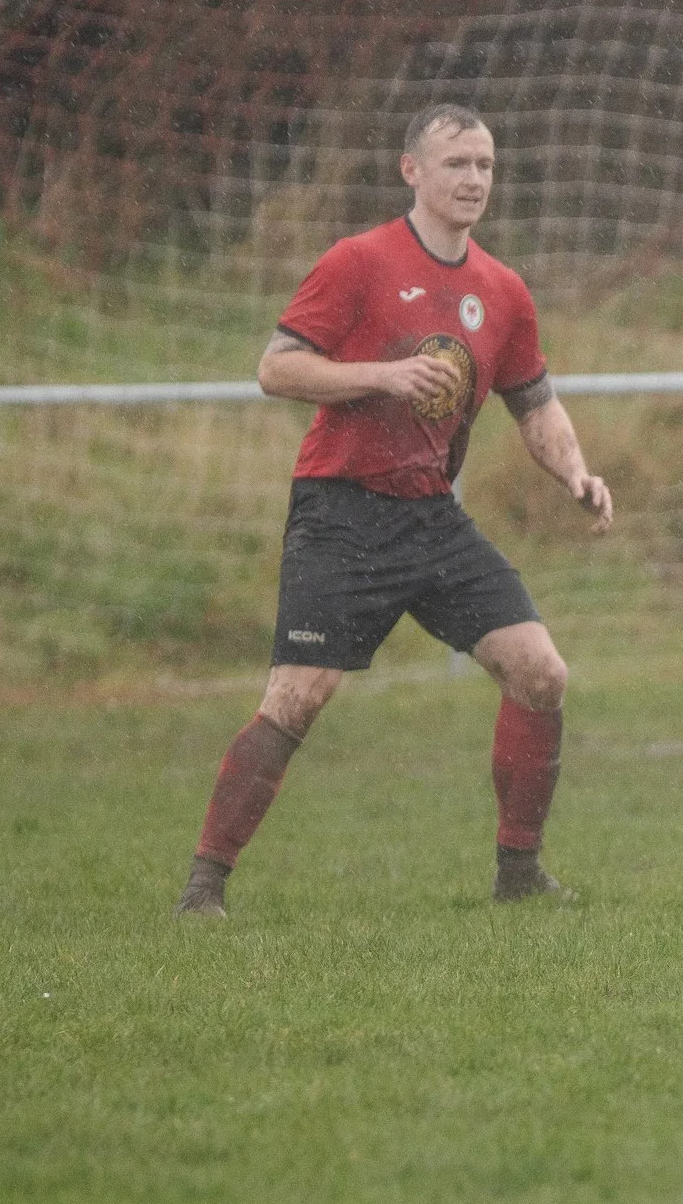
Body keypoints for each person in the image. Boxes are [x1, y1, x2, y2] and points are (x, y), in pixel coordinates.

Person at [175, 104, 613, 917]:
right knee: (299, 696)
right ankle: (205, 885)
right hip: (340, 513)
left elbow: (534, 402)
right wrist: (381, 376)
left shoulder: (502, 291)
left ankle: (518, 875)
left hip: (431, 517)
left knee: (540, 672)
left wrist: (577, 475)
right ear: (412, 170)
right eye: (456, 164)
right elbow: (276, 370)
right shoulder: (358, 261)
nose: (473, 179)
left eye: (484, 165)